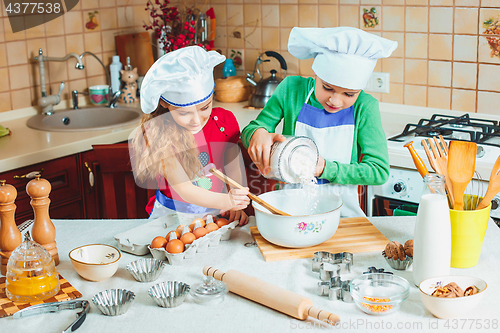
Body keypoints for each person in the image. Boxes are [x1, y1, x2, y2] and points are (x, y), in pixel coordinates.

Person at [241, 27, 398, 217]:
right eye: (327, 88)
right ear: (317, 73)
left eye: (349, 94)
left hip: (343, 216)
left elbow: (379, 171)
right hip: (290, 213)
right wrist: (257, 134)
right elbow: (253, 129)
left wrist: (325, 168)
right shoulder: (292, 90)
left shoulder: (365, 107)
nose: (335, 101)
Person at [131, 46, 250, 225]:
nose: (196, 120)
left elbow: (232, 166)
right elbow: (184, 189)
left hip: (217, 212)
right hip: (172, 216)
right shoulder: (160, 134)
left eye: (205, 107)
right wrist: (227, 201)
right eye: (184, 113)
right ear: (165, 104)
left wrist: (237, 203)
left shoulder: (224, 123)